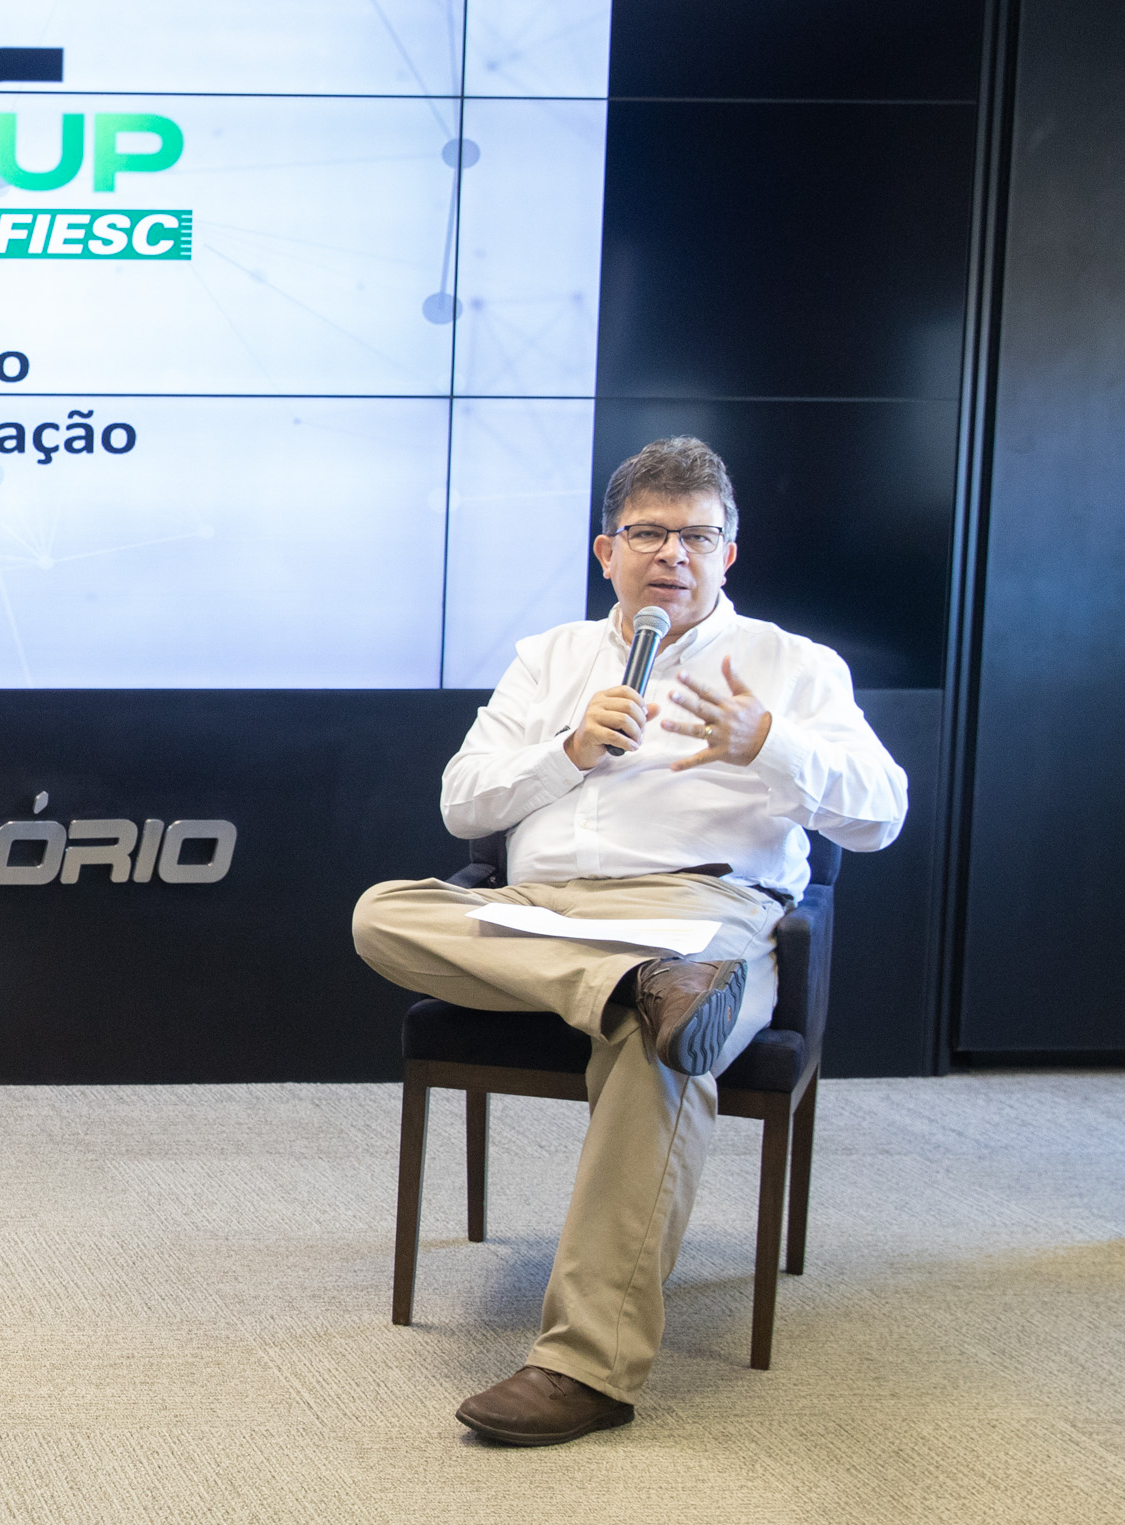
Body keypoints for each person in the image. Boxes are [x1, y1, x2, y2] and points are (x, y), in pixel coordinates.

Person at [352, 437, 906, 1445]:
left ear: (728, 552)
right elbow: (462, 802)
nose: (672, 555)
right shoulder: (550, 658)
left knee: (662, 1044)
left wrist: (772, 745)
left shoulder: (793, 665)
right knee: (384, 911)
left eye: (697, 536)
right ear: (607, 550)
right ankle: (636, 982)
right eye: (648, 534)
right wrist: (567, 751)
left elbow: (882, 816)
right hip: (546, 911)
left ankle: (585, 1370)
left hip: (706, 915)